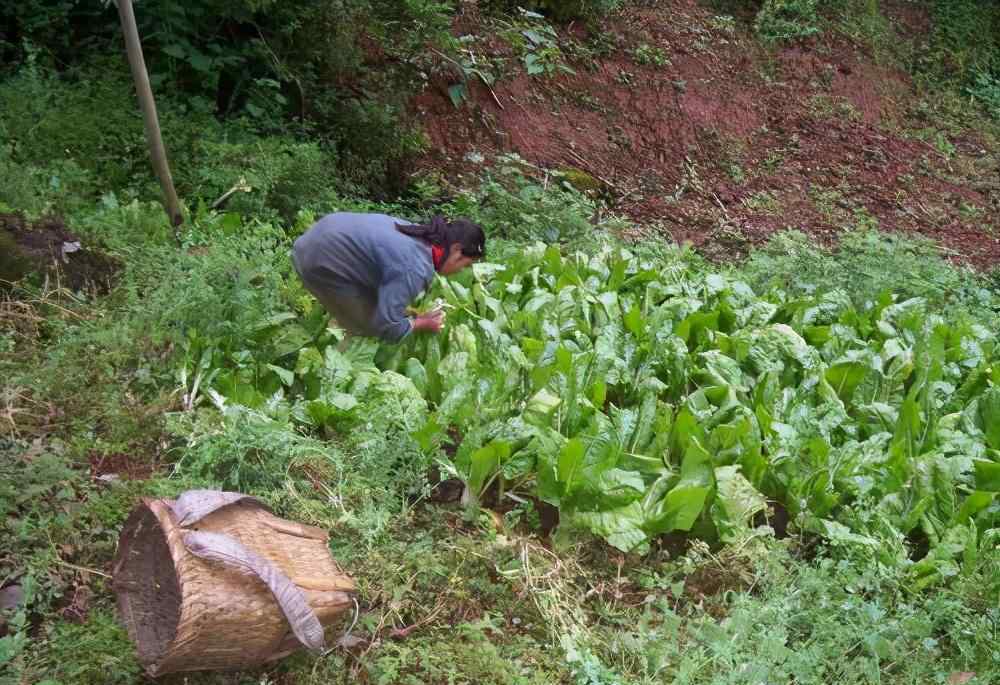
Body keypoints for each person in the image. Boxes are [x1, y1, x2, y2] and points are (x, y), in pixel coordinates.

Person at [291, 212, 486, 342]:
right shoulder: (415, 268)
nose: (461, 271)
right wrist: (423, 323)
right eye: (465, 265)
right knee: (364, 330)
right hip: (316, 260)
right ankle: (333, 373)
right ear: (456, 251)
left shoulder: (418, 233)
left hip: (317, 236)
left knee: (376, 307)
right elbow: (386, 327)